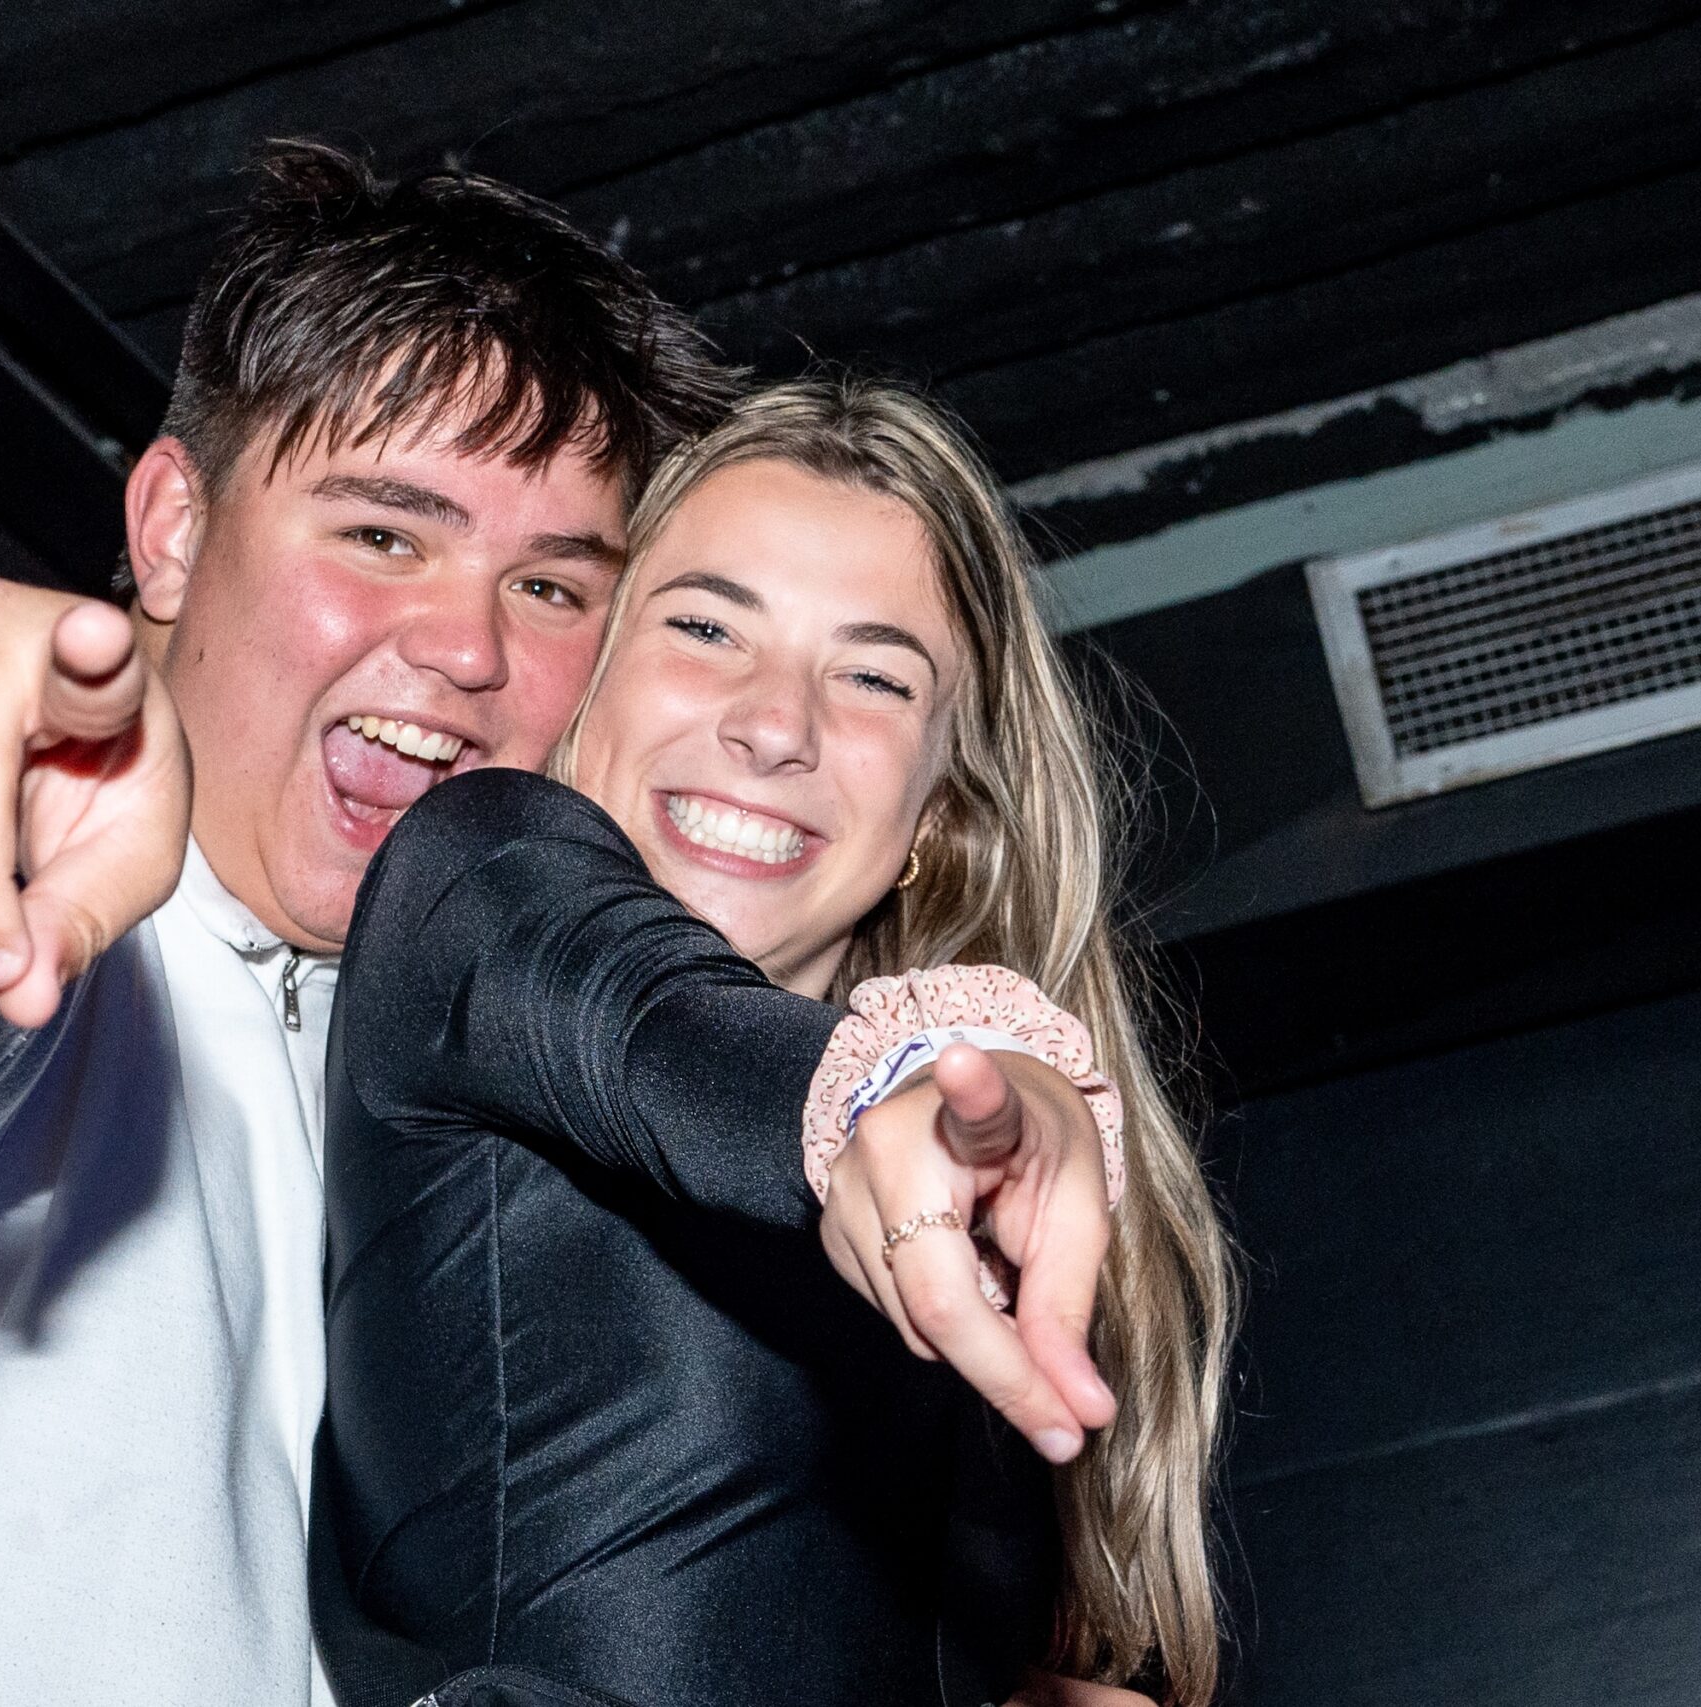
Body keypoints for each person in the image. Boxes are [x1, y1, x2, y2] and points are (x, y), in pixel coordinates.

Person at [0, 146, 1124, 1707]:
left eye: (554, 586)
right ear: (174, 533)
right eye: (385, 532)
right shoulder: (13, 865)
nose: (469, 646)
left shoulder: (438, 1120)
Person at [311, 381, 1233, 1707]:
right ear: (591, 685)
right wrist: (910, 1072)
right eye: (703, 627)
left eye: (871, 676)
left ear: (936, 811)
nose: (776, 724)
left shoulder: (989, 1246)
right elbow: (655, 1027)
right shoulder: (479, 883)